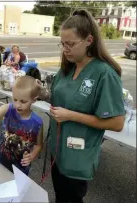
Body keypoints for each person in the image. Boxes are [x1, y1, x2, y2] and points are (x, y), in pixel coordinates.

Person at [37, 9, 125, 203]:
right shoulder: (67, 69)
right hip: (57, 152)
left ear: (89, 41)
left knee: (71, 198)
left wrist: (71, 116)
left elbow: (117, 123)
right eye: (63, 44)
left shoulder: (104, 74)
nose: (65, 49)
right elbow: (63, 100)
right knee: (61, 196)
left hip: (78, 158)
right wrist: (43, 94)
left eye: (70, 44)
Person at [0, 76, 44, 175]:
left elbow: (38, 145)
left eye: (23, 101)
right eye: (15, 99)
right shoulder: (8, 109)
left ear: (34, 100)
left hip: (21, 169)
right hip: (1, 162)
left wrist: (32, 156)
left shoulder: (37, 123)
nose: (17, 105)